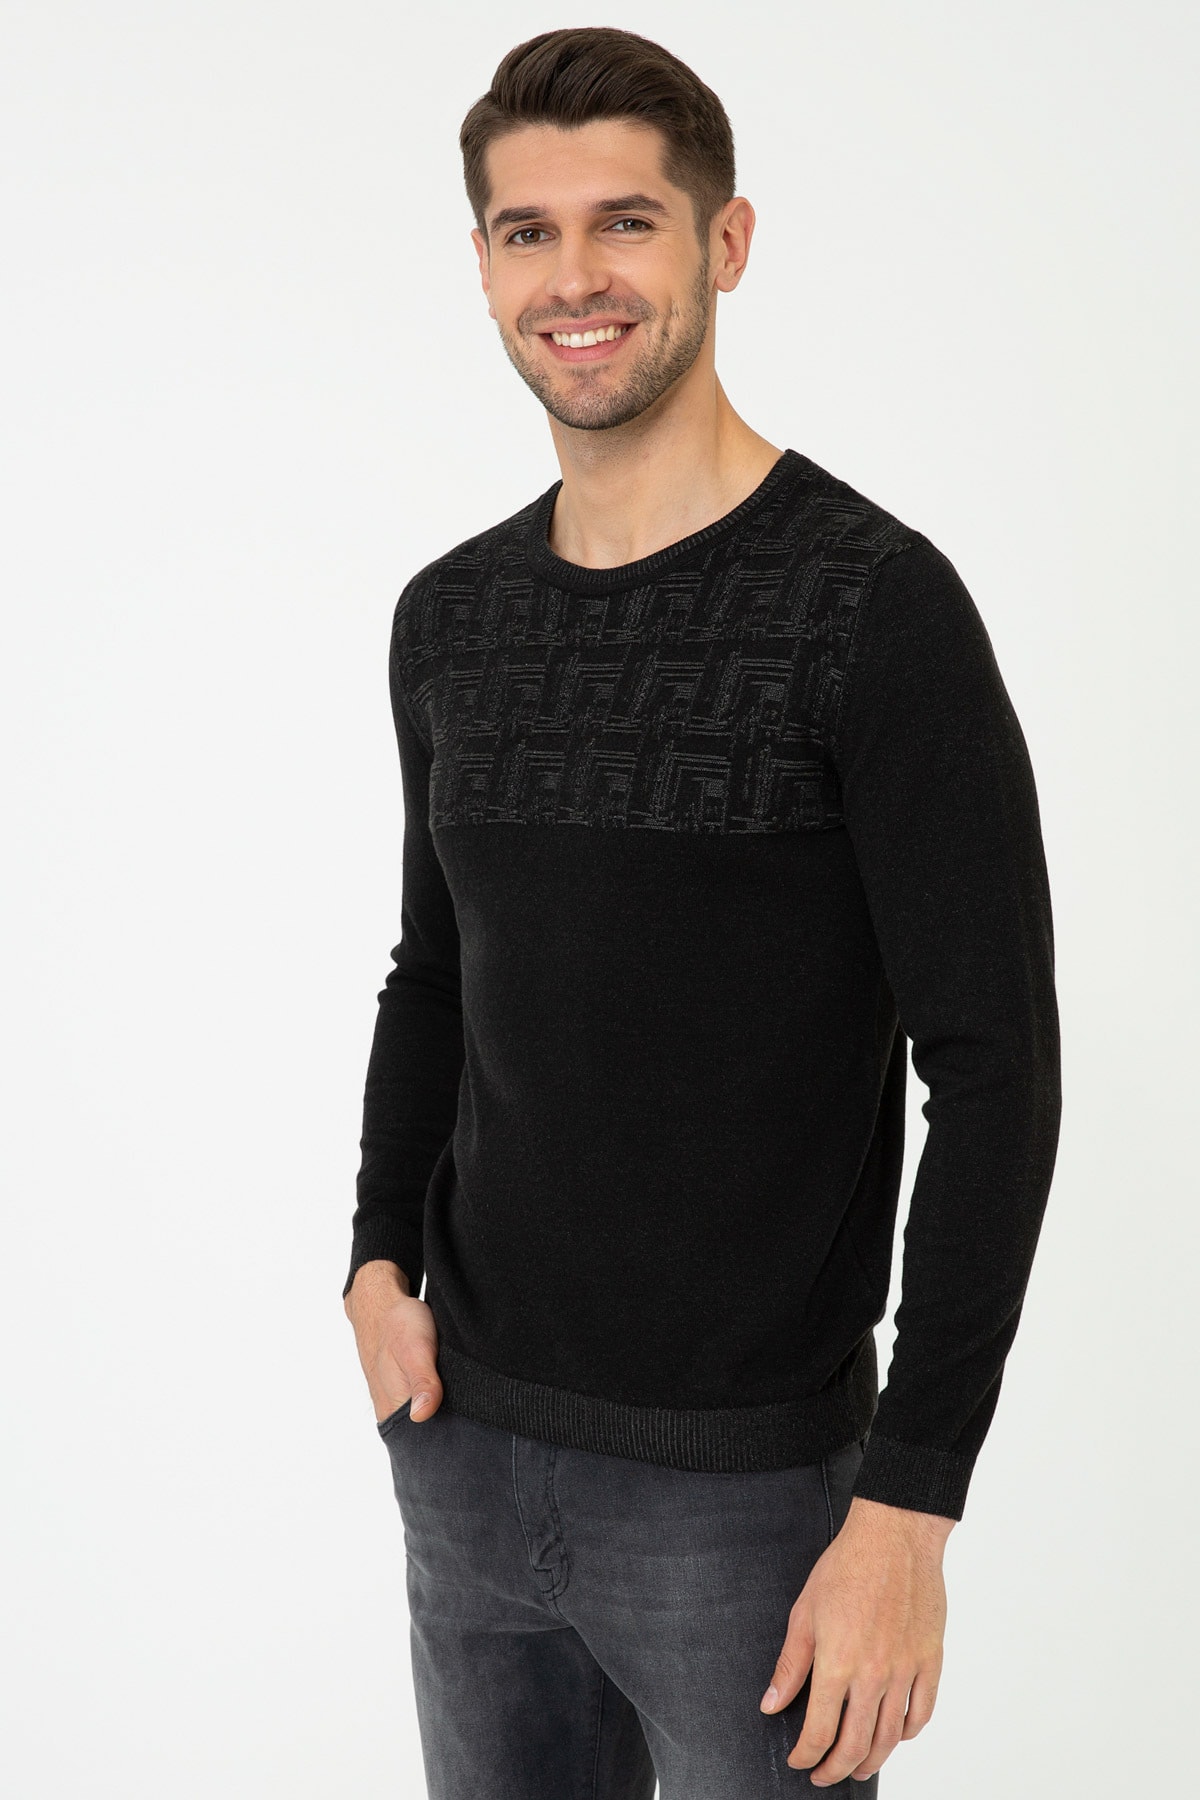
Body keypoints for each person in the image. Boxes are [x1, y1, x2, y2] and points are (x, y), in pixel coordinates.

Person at [342, 26, 1061, 1798]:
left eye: (626, 223)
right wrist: (373, 1259)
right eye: (528, 232)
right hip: (463, 1449)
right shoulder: (450, 619)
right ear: (484, 264)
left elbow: (994, 1072)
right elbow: (437, 971)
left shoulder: (875, 608)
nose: (574, 279)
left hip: (748, 1505)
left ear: (725, 243)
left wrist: (910, 1506)